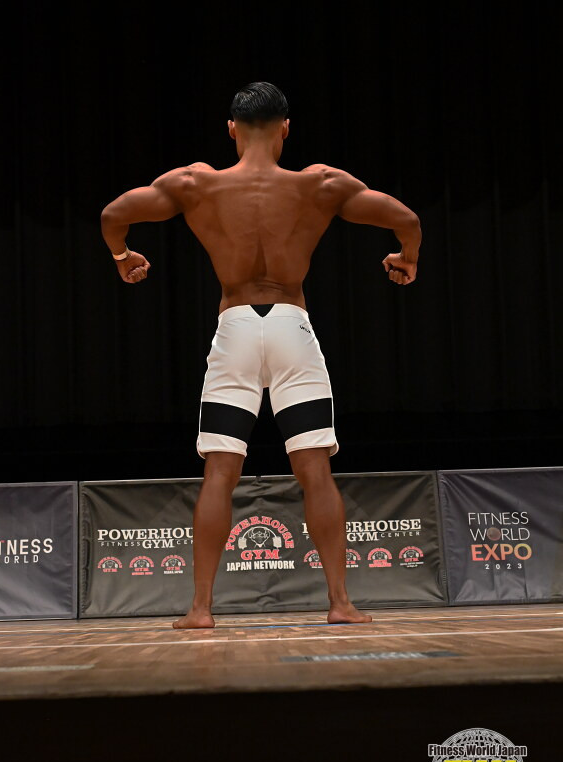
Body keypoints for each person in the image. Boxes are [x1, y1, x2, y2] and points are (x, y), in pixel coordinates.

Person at [100, 81, 421, 628]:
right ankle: (340, 603)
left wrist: (123, 256)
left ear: (231, 128)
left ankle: (201, 609)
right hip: (293, 327)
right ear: (286, 129)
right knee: (315, 469)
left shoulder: (195, 183)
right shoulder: (320, 183)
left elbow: (114, 213)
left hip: (235, 331)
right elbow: (407, 220)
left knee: (220, 471)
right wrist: (406, 257)